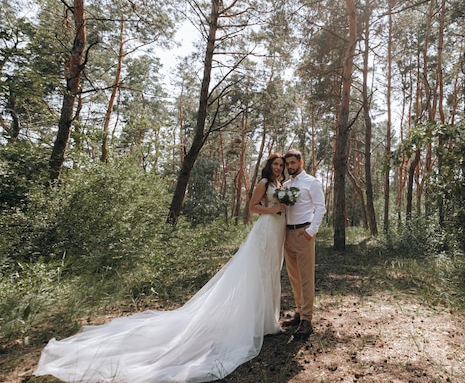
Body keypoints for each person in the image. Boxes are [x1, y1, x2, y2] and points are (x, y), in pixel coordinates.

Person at [33, 154, 288, 383]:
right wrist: (273, 209)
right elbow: (253, 208)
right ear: (268, 166)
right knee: (259, 275)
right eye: (274, 164)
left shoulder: (280, 185)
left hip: (277, 233)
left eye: (280, 165)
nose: (278, 168)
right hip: (264, 232)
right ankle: (256, 323)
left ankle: (267, 321)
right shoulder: (264, 184)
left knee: (271, 275)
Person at [280, 149, 326, 340]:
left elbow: (321, 208)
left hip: (303, 232)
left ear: (301, 162)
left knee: (306, 277)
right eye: (287, 164)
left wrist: (311, 231)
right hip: (287, 233)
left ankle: (307, 319)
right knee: (294, 276)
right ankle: (299, 312)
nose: (290, 166)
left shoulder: (311, 182)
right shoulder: (285, 185)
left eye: (293, 163)